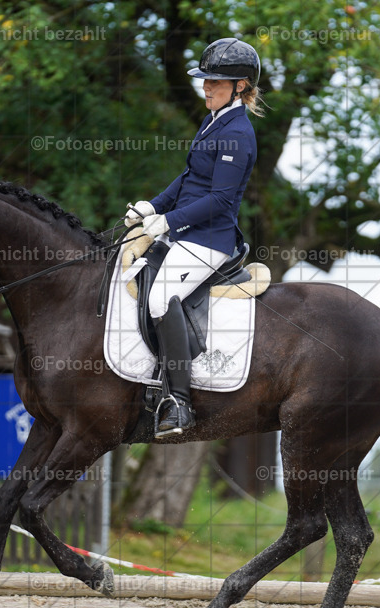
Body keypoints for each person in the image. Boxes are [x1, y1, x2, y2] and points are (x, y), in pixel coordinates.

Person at [124, 37, 264, 438]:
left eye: (215, 82)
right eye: (205, 80)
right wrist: (152, 206)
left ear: (240, 85)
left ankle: (179, 403)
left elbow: (220, 200)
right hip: (187, 231)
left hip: (210, 240)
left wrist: (167, 222)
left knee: (157, 299)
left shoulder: (237, 133)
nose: (206, 87)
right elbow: (190, 178)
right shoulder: (214, 119)